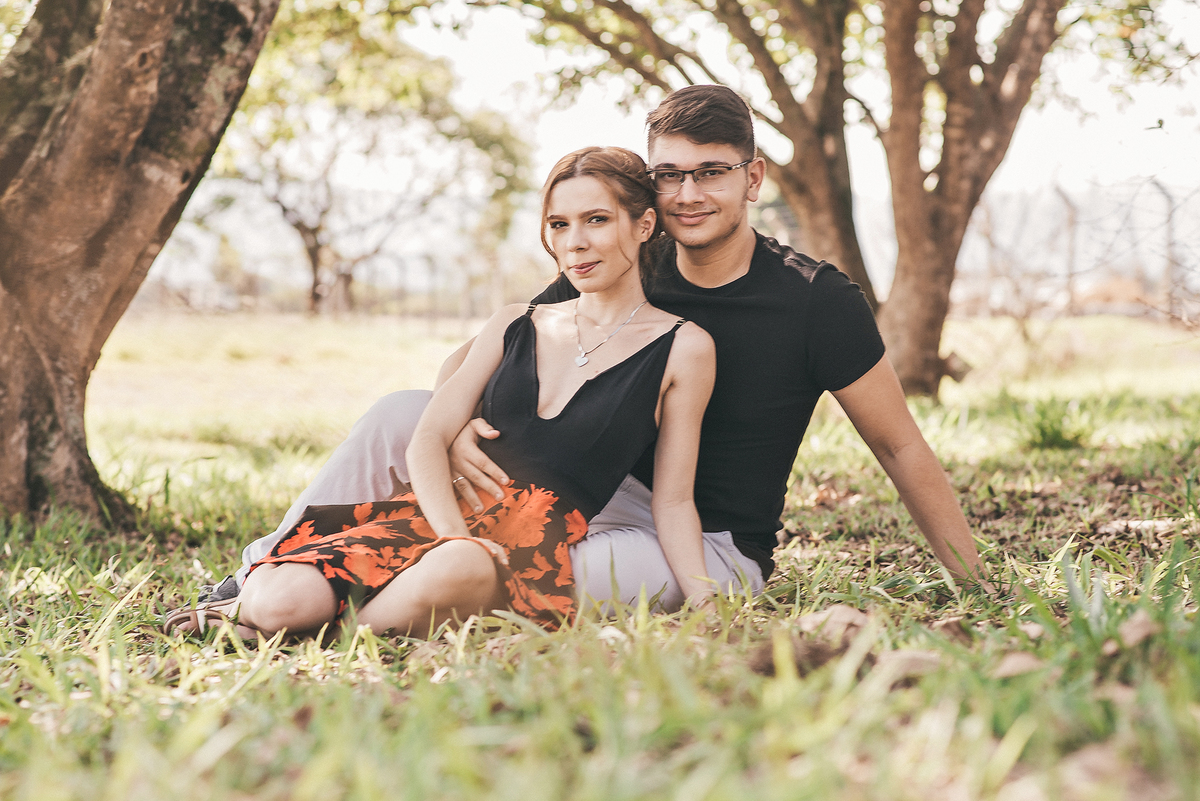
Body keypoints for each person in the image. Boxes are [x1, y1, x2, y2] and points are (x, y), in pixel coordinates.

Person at [174, 83, 985, 629]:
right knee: (401, 412)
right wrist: (456, 431)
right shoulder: (630, 256)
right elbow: (486, 352)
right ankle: (253, 578)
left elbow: (898, 444)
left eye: (712, 172)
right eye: (670, 176)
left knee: (510, 583)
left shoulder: (814, 299)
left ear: (753, 178)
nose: (689, 194)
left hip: (702, 537)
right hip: (580, 488)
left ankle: (342, 610)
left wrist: (976, 586)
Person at [163, 146, 718, 637]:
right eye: (559, 224)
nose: (576, 242)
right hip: (435, 521)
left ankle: (322, 635)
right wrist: (453, 535)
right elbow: (427, 437)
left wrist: (705, 600)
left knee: (461, 568)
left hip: (521, 556)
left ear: (644, 224)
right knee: (282, 601)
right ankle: (267, 613)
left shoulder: (684, 348)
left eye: (597, 220)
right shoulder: (516, 322)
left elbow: (672, 501)